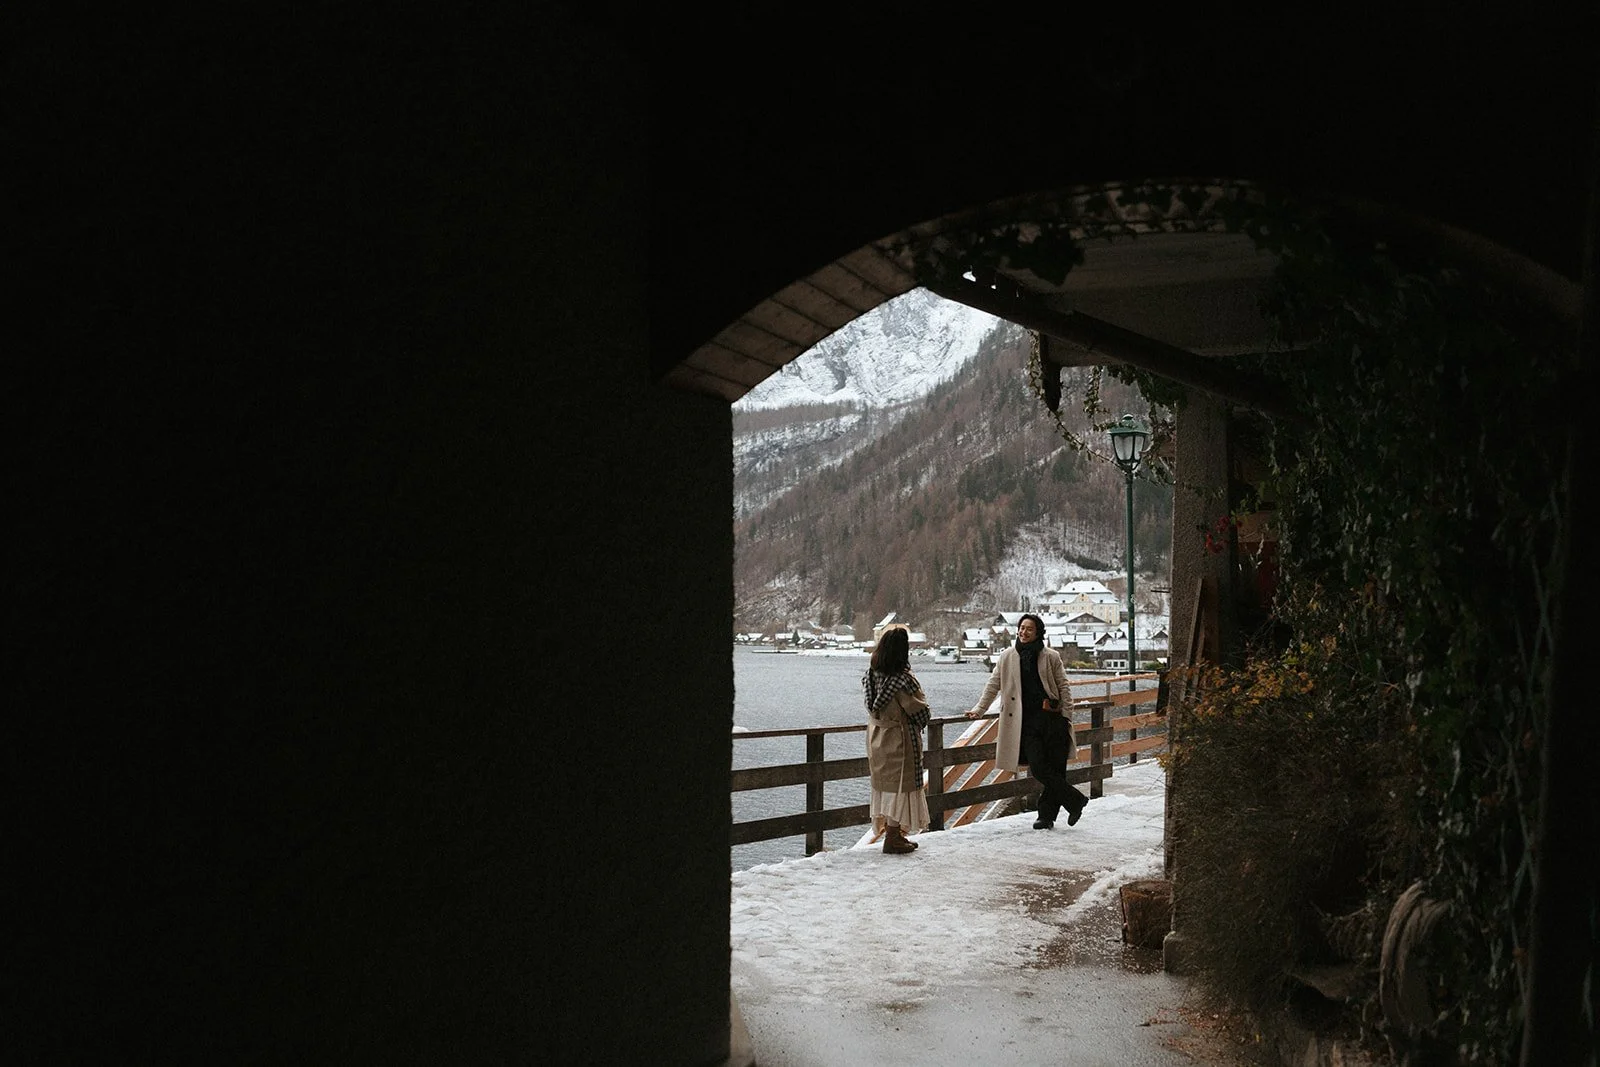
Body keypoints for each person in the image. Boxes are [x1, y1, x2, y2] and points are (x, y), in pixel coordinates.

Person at [965, 613, 1086, 829]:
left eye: (1029, 628)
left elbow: (1064, 686)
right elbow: (993, 685)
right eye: (1021, 628)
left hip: (1053, 719)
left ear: (1038, 632)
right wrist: (979, 710)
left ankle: (1046, 816)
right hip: (1026, 724)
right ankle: (1075, 800)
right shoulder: (1007, 656)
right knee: (1039, 767)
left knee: (1056, 768)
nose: (1024, 632)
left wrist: (1067, 715)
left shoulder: (1050, 656)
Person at [861, 624, 931, 855]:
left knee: (885, 786)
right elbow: (919, 711)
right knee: (900, 787)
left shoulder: (871, 676)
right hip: (899, 740)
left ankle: (892, 833)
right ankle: (893, 836)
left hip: (877, 737)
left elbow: (874, 707)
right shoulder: (902, 681)